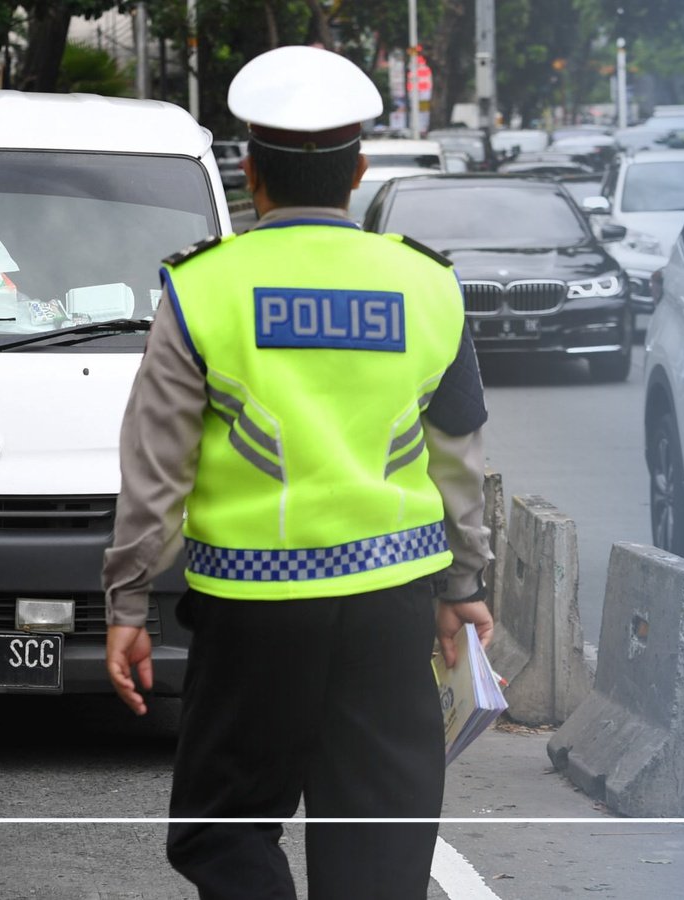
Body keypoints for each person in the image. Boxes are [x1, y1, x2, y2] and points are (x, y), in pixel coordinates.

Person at [102, 46, 497, 899]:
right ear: (358, 169)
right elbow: (459, 452)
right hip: (392, 606)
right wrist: (463, 583)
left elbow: (156, 463)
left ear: (251, 172)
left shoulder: (203, 288)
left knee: (222, 829)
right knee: (378, 851)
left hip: (251, 613)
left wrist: (129, 599)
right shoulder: (428, 286)